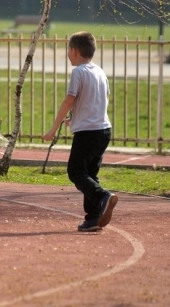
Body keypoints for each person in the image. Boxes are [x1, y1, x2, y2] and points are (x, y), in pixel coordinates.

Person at [43, 31, 117, 232]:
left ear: (74, 51)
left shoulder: (78, 72)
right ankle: (93, 218)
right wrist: (75, 118)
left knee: (75, 171)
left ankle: (103, 196)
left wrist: (53, 127)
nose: (67, 54)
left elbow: (70, 99)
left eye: (68, 50)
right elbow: (100, 99)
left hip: (88, 132)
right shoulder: (100, 71)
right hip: (103, 129)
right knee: (90, 173)